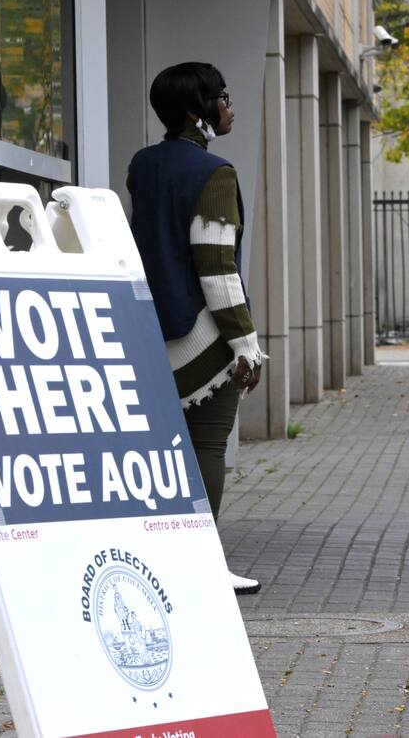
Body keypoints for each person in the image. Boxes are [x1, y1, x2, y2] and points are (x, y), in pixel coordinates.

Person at [127, 61, 265, 596]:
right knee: (207, 445)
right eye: (221, 96)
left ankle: (165, 562)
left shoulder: (143, 165)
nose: (229, 106)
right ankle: (202, 566)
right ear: (195, 110)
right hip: (203, 335)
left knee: (165, 452)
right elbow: (216, 267)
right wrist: (246, 345)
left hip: (149, 328)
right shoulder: (215, 173)